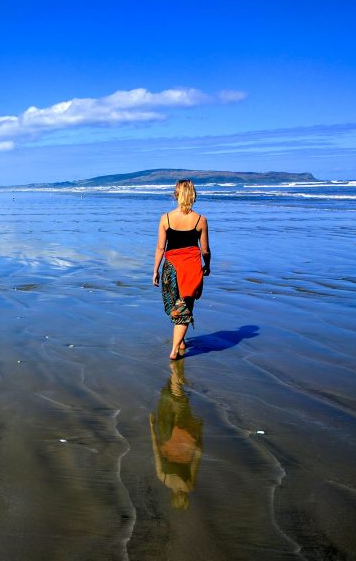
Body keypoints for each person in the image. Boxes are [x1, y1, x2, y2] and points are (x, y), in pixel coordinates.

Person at [152, 179, 211, 359]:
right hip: (192, 268)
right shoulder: (200, 220)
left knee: (176, 305)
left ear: (176, 195)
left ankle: (179, 343)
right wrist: (207, 265)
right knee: (184, 307)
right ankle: (175, 350)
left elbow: (161, 248)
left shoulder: (166, 218)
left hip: (170, 267)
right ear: (193, 195)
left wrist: (155, 270)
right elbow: (205, 250)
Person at [149, 359, 204, 510]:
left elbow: (198, 454)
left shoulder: (188, 486)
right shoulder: (163, 478)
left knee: (179, 402)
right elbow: (156, 451)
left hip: (186, 439)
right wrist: (152, 427)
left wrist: (199, 434)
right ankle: (176, 367)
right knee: (170, 399)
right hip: (168, 437)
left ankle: (177, 368)